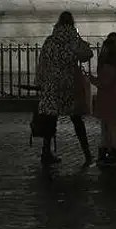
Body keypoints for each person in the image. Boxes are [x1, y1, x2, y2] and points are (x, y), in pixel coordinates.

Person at [34, 11, 95, 166]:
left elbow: (42, 63)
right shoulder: (73, 40)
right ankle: (87, 153)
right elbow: (87, 54)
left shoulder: (50, 41)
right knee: (76, 119)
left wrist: (40, 82)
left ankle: (46, 152)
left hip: (51, 85)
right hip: (68, 84)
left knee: (50, 118)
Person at [93, 32, 116, 165]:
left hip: (109, 100)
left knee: (111, 127)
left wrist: (90, 79)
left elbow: (104, 82)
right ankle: (112, 151)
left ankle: (114, 152)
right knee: (112, 127)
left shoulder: (109, 65)